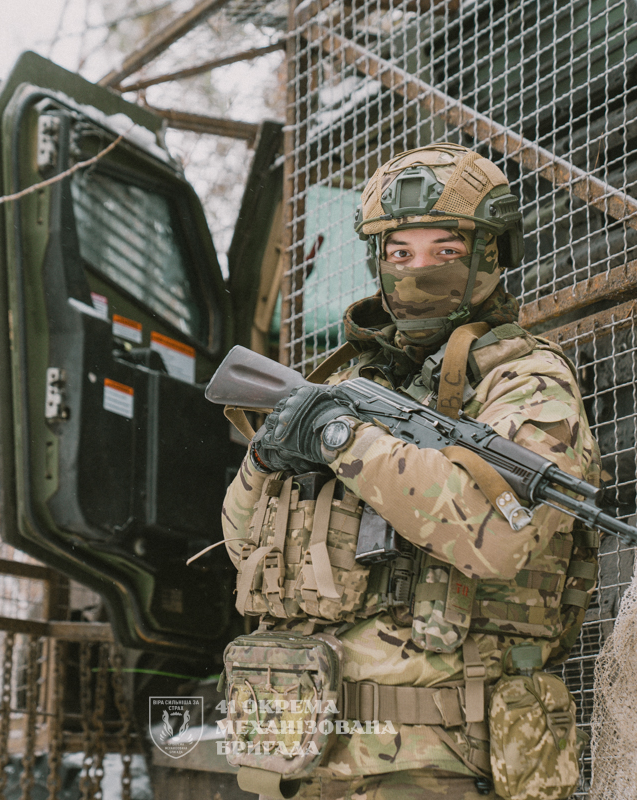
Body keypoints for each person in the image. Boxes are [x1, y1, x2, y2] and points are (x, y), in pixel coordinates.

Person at [220, 143, 602, 800]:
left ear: (491, 253)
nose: (419, 270)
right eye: (401, 254)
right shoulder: (345, 382)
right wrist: (267, 455)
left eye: (445, 251)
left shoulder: (528, 383)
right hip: (296, 756)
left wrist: (344, 438)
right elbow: (241, 543)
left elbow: (499, 533)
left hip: (439, 765)